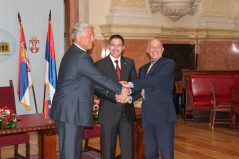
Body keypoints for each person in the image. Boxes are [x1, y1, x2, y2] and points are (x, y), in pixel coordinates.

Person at [50, 22, 129, 159]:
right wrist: (121, 88)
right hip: (71, 112)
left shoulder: (75, 54)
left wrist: (114, 96)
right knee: (70, 153)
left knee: (74, 152)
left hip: (72, 112)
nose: (93, 39)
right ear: (78, 37)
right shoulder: (81, 56)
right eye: (90, 36)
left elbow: (93, 84)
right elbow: (100, 78)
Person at [122, 38, 176, 159]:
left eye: (158, 47)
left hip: (164, 115)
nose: (155, 49)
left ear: (162, 49)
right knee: (150, 152)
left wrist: (131, 84)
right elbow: (142, 89)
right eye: (152, 47)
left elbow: (154, 80)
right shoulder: (143, 69)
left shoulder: (168, 64)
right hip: (147, 114)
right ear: (147, 50)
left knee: (166, 153)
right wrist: (128, 98)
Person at [95, 34, 137, 159]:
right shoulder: (100, 65)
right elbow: (97, 88)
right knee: (108, 152)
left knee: (128, 152)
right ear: (109, 46)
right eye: (113, 45)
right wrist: (115, 96)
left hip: (127, 114)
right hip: (108, 113)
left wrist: (127, 92)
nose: (115, 48)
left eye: (119, 45)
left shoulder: (129, 63)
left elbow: (136, 83)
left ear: (123, 47)